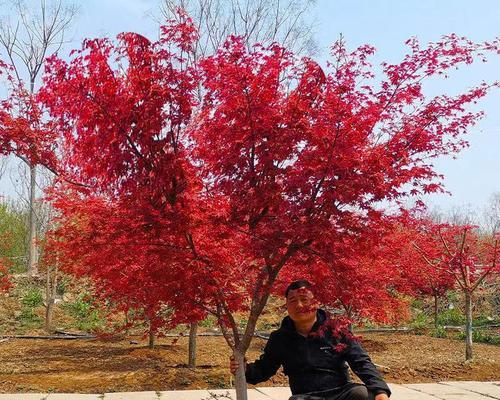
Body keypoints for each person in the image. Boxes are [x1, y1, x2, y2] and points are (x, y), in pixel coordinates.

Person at [229, 280, 391, 400]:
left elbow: (361, 362)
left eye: (304, 299)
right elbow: (264, 369)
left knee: (361, 393)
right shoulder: (280, 338)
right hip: (306, 396)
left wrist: (380, 390)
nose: (299, 305)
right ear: (287, 306)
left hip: (341, 393)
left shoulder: (336, 330)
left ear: (316, 302)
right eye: (293, 301)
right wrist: (244, 369)